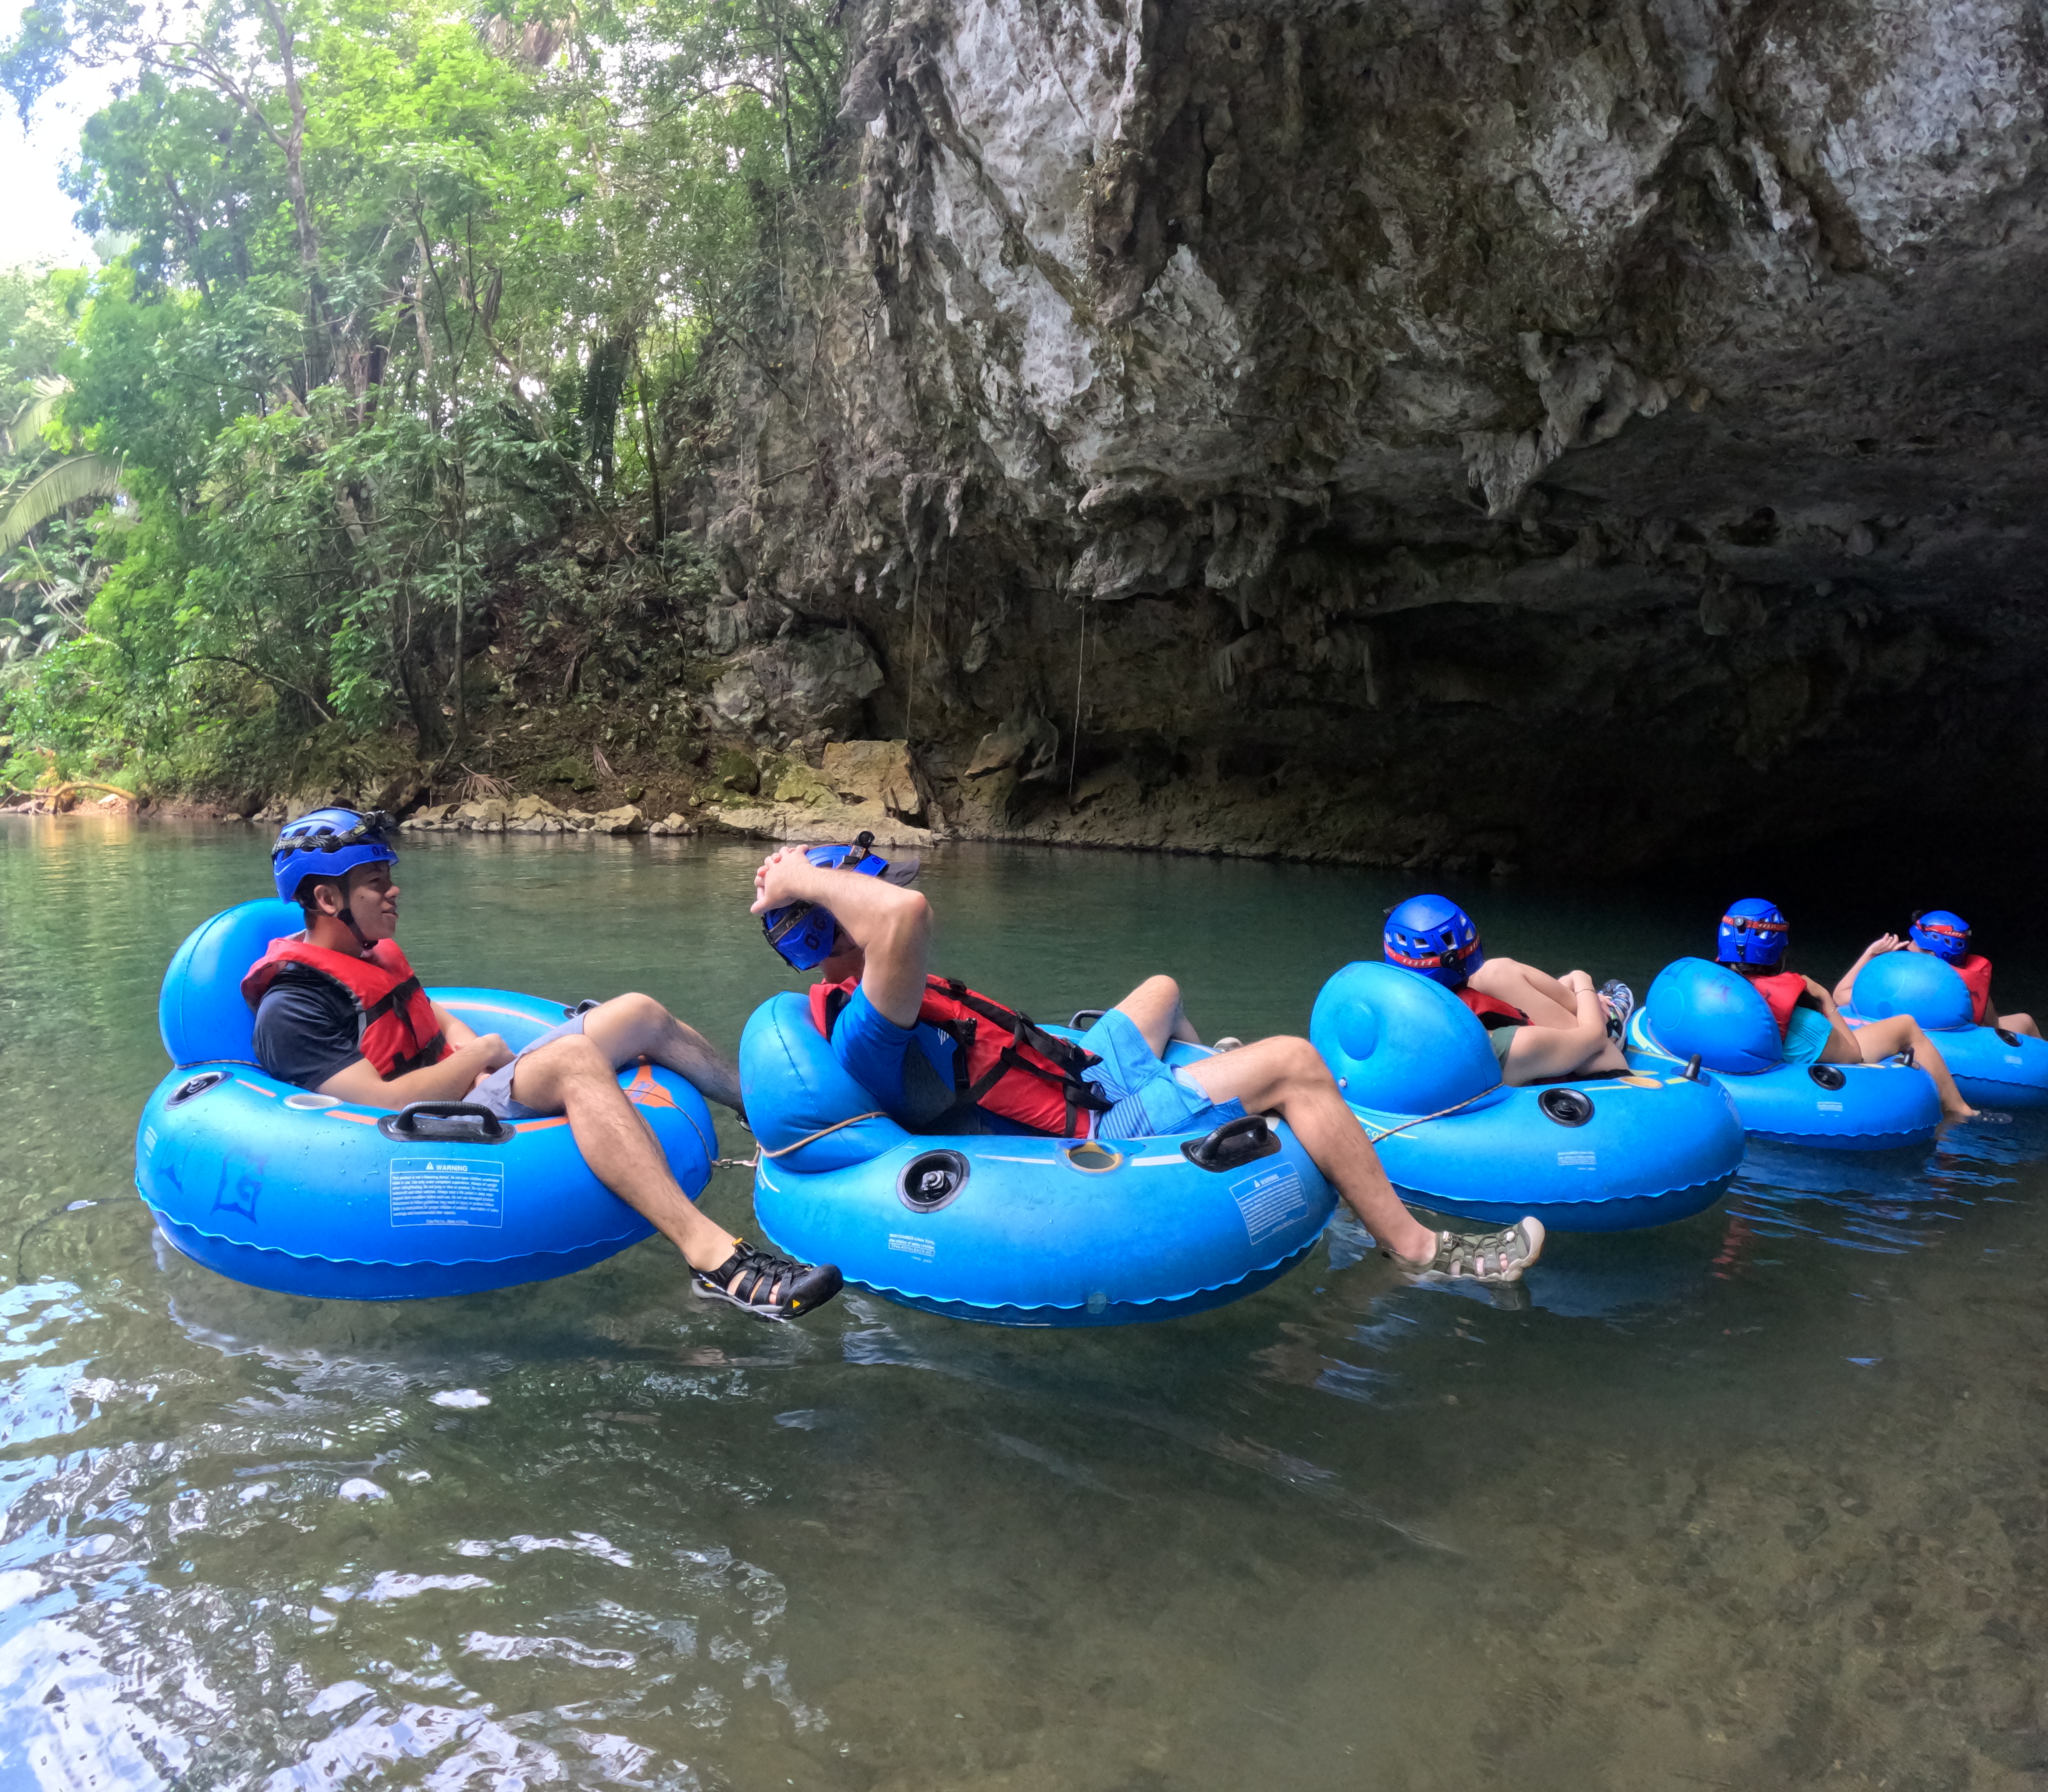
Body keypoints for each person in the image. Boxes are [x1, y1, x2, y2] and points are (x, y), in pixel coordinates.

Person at [750, 836, 1547, 1283]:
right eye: (867, 890)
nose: (894, 888)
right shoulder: (866, 1025)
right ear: (839, 927)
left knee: (1160, 989)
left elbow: (897, 918)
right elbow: (902, 917)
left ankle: (1204, 1091)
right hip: (1088, 1125)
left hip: (1075, 1068)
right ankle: (1417, 1251)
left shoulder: (876, 1003)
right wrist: (801, 878)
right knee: (1296, 1062)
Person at [243, 807, 842, 1321]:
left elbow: (433, 1014)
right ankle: (713, 1260)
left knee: (637, 1012)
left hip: (465, 1088)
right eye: (376, 883)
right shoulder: (292, 1007)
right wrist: (479, 1057)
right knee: (574, 1058)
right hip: (417, 1132)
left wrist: (468, 1049)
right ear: (327, 899)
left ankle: (780, 1119)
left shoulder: (372, 954)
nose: (394, 891)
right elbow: (377, 1102)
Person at [1716, 897, 1977, 1120]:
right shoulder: (1806, 1023)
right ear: (1779, 949)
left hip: (1745, 1069)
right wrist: (1824, 999)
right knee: (1906, 1024)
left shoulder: (1713, 991)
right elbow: (1852, 1055)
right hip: (1803, 1063)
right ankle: (1962, 1111)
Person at [1382, 894, 1633, 1085]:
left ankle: (1574, 998)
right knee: (1501, 974)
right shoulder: (1515, 1045)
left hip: (1495, 1048)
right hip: (1594, 1065)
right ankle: (1607, 1020)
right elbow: (1593, 1038)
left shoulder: (1395, 1010)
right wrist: (1582, 979)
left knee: (1496, 973)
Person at [1833, 910, 2038, 1037]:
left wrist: (1870, 954)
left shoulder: (1902, 984)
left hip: (1926, 1040)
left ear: (1930, 952)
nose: (1909, 945)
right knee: (2025, 1021)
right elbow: (1990, 1026)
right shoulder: (1966, 985)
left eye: (1914, 941)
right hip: (1964, 1040)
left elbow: (1840, 995)